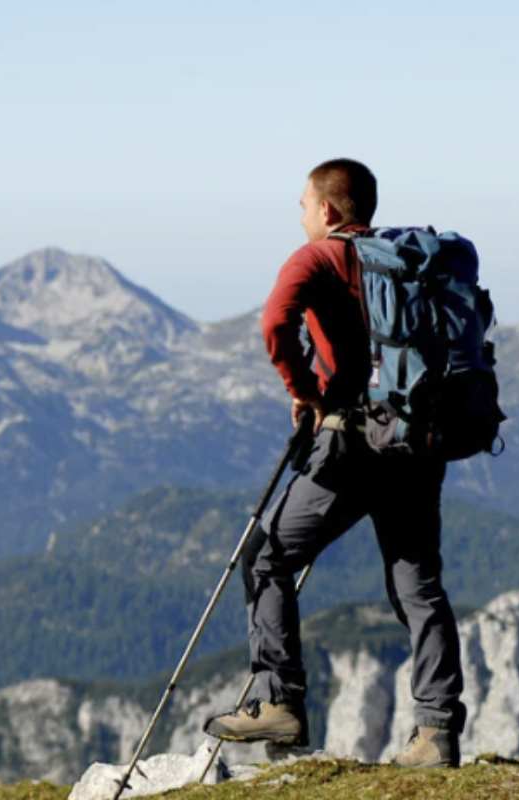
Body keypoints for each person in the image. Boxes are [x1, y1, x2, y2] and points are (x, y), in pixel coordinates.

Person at [201, 159, 466, 768]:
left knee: (266, 555)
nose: (300, 216)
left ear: (327, 209)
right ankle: (436, 733)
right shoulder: (403, 263)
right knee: (418, 586)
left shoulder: (316, 258)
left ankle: (279, 701)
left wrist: (303, 390)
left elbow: (275, 324)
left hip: (348, 445)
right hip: (416, 443)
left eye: (302, 205)